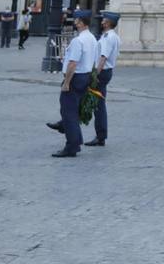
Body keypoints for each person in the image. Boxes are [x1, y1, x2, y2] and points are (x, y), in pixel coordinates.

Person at [47, 11, 98, 157]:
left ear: (81, 22)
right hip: (86, 75)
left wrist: (67, 83)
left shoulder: (78, 40)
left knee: (68, 112)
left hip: (75, 77)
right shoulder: (92, 38)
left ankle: (72, 146)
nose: (74, 22)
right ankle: (73, 137)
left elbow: (73, 63)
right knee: (72, 111)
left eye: (76, 20)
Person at [85, 12, 121, 147]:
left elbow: (103, 57)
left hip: (102, 72)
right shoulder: (114, 37)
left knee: (98, 105)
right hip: (106, 72)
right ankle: (100, 135)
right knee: (99, 104)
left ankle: (100, 136)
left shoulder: (107, 37)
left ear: (108, 23)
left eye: (104, 20)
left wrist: (95, 75)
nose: (102, 22)